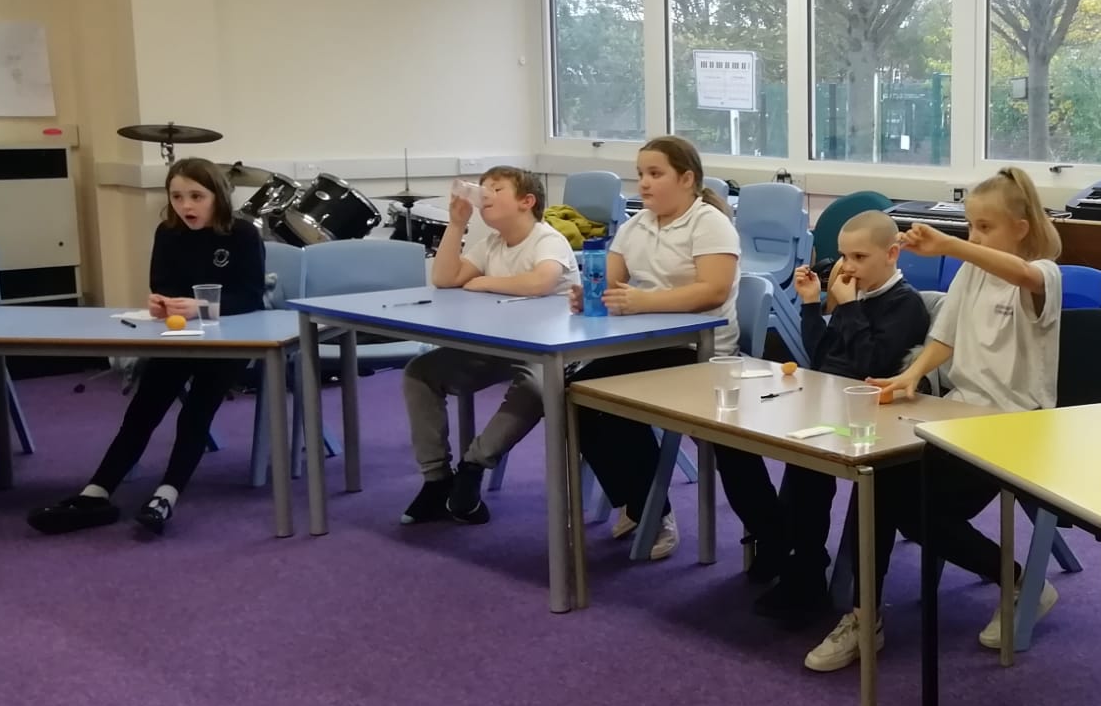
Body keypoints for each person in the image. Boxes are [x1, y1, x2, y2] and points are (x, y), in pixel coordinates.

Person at [802, 166, 1063, 672]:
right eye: (970, 226)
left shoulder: (1044, 273)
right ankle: (865, 616)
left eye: (985, 227)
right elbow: (944, 338)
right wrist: (912, 377)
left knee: (914, 509)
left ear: (1021, 227)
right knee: (879, 479)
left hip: (1016, 427)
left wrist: (951, 246)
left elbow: (1023, 275)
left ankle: (1019, 582)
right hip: (958, 416)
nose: (974, 236)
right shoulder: (969, 272)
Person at [27, 158, 267, 538]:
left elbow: (252, 296)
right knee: (142, 411)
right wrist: (161, 303)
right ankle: (96, 493)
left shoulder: (242, 234)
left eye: (196, 196)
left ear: (217, 197)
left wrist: (203, 307)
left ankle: (166, 495)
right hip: (179, 339)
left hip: (227, 343)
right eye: (177, 196)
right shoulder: (168, 233)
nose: (186, 206)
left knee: (194, 418)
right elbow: (163, 283)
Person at [568, 136, 775, 564]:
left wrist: (643, 300)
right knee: (577, 394)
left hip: (701, 353)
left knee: (611, 398)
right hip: (648, 346)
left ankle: (767, 534)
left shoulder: (709, 223)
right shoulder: (636, 224)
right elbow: (610, 279)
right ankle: (646, 506)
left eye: (655, 174)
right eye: (641, 174)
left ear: (687, 179)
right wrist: (589, 294)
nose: (643, 183)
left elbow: (713, 291)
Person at [750, 211, 931, 627]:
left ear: (892, 254)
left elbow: (870, 367)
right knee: (789, 453)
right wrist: (813, 306)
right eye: (843, 256)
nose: (847, 267)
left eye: (859, 257)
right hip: (833, 404)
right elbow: (822, 358)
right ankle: (791, 554)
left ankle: (807, 570)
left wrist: (846, 309)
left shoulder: (906, 305)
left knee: (809, 466)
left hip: (874, 421)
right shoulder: (858, 296)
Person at [399, 166, 580, 526]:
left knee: (534, 386)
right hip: (499, 346)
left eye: (496, 189)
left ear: (526, 202)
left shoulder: (547, 239)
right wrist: (456, 224)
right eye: (483, 189)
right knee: (420, 373)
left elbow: (540, 282)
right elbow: (446, 278)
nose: (485, 196)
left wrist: (484, 282)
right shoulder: (493, 243)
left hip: (549, 352)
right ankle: (437, 478)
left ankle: (473, 466)